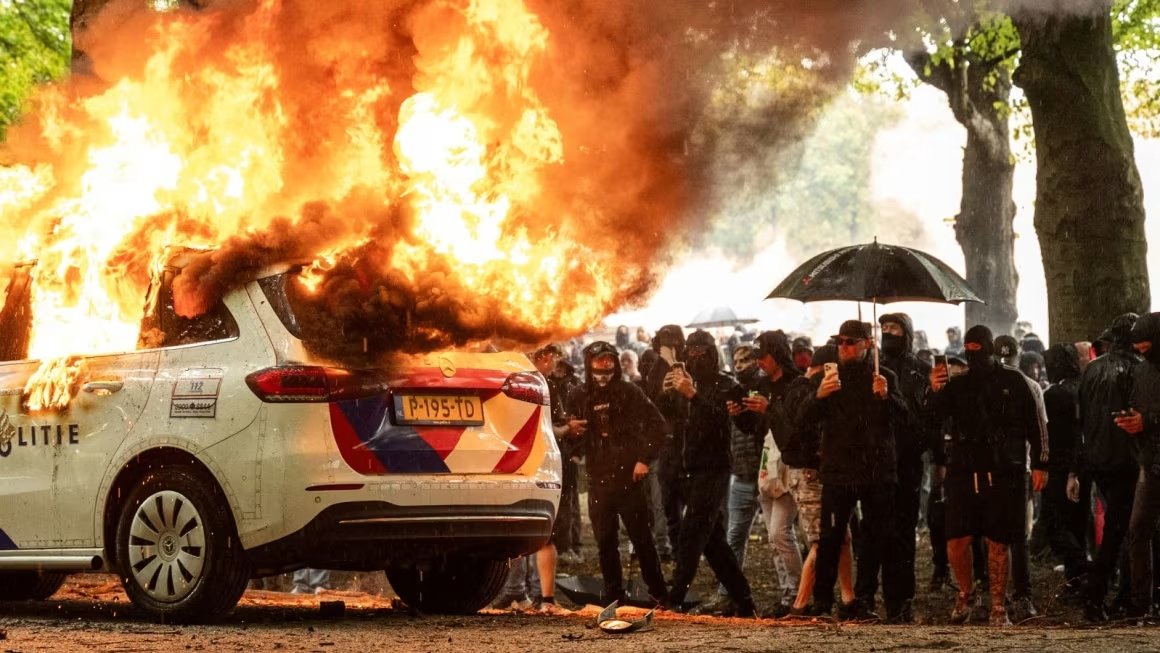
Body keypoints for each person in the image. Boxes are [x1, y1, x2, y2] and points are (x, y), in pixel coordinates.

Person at [927, 325, 1049, 627]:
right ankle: (966, 593)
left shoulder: (1015, 382)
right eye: (968, 349)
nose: (973, 354)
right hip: (964, 470)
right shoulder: (958, 384)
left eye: (977, 349)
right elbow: (932, 418)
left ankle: (997, 605)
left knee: (998, 540)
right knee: (957, 540)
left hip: (1003, 470)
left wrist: (1040, 463)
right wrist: (934, 389)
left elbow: (1036, 425)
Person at [798, 320, 906, 619]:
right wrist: (819, 395)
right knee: (830, 539)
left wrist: (886, 397)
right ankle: (823, 602)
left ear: (867, 344)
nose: (843, 347)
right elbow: (803, 419)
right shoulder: (831, 378)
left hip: (876, 471)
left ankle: (870, 599)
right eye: (840, 342)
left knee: (876, 539)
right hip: (839, 471)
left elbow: (906, 420)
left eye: (850, 342)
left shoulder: (884, 377)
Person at [563, 341, 670, 607]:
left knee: (642, 539)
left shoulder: (629, 391)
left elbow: (658, 425)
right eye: (598, 364)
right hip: (598, 478)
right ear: (589, 364)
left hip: (629, 478)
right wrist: (572, 436)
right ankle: (614, 596)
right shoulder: (578, 394)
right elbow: (570, 433)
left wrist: (644, 459)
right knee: (605, 542)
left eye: (609, 363)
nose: (604, 370)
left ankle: (659, 594)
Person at [663, 330, 757, 616]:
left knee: (692, 534)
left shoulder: (726, 385)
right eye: (690, 352)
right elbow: (670, 420)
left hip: (714, 468)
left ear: (712, 353)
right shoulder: (684, 383)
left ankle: (674, 598)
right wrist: (665, 392)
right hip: (687, 468)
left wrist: (693, 396)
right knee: (713, 542)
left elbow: (725, 422)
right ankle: (744, 600)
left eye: (700, 352)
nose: (695, 357)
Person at [776, 345, 856, 617]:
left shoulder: (800, 389)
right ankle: (800, 605)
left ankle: (848, 597)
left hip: (819, 472)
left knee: (840, 537)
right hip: (810, 472)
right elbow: (801, 428)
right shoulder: (803, 391)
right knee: (823, 541)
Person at [1073, 313, 1140, 621]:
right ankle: (1104, 596)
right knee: (1123, 530)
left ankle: (1104, 594)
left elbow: (1082, 416)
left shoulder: (1093, 369)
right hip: (1127, 459)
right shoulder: (1138, 368)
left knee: (1118, 527)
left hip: (1098, 458)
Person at [871, 312, 937, 623]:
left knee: (904, 531)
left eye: (894, 328)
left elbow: (925, 418)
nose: (888, 332)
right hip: (877, 462)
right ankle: (886, 597)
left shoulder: (920, 370)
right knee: (881, 530)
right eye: (884, 327)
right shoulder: (874, 367)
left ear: (906, 332)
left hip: (908, 461)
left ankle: (904, 598)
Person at [738, 332, 804, 616]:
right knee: (773, 537)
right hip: (767, 464)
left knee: (780, 533)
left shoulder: (796, 384)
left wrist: (769, 409)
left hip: (788, 464)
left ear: (777, 354)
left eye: (763, 356)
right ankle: (788, 594)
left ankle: (800, 593)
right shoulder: (762, 384)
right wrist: (740, 415)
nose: (759, 362)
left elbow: (795, 426)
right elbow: (754, 428)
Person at [1033, 343, 1087, 594]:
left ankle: (1079, 571)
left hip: (1058, 467)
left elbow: (1046, 434)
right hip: (1080, 465)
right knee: (1075, 522)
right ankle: (1076, 577)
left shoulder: (1055, 394)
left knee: (1055, 523)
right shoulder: (1081, 387)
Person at [1116, 312, 1160, 621]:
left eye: (1147, 348)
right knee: (1138, 530)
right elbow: (1137, 403)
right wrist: (1131, 420)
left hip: (1149, 458)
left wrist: (1148, 421)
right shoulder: (1142, 370)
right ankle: (1140, 603)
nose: (1144, 353)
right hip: (1149, 461)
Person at [645, 325, 688, 556]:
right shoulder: (655, 371)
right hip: (668, 443)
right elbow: (654, 406)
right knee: (668, 503)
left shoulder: (688, 365)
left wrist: (674, 364)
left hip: (687, 442)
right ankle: (677, 550)